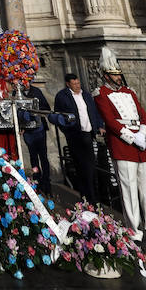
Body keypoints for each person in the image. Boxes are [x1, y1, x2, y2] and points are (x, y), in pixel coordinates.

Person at [94, 48, 146, 242]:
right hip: (123, 145)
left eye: (118, 75)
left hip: (140, 145)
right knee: (129, 191)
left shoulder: (129, 91)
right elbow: (110, 121)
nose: (118, 78)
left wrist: (143, 133)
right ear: (106, 75)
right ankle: (134, 231)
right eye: (114, 75)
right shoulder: (101, 93)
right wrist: (132, 138)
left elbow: (143, 115)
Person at [54, 72, 104, 205]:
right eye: (74, 84)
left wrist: (99, 125)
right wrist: (67, 131)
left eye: (78, 83)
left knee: (91, 167)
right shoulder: (62, 96)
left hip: (88, 134)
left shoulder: (86, 95)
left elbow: (94, 111)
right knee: (81, 166)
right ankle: (85, 196)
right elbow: (58, 116)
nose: (77, 86)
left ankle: (93, 196)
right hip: (75, 135)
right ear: (68, 84)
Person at [21, 83, 52, 195]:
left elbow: (46, 107)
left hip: (39, 130)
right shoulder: (17, 93)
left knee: (43, 157)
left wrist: (35, 111)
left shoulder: (36, 92)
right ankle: (37, 182)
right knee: (33, 158)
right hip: (28, 132)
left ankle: (47, 183)